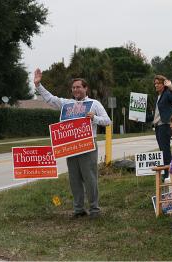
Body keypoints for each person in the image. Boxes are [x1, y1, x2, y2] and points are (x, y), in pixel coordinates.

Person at [33, 68, 111, 219]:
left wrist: (94, 118)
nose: (76, 90)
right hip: (70, 146)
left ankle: (94, 209)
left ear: (85, 88)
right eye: (74, 87)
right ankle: (79, 209)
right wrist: (38, 85)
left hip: (88, 145)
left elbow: (108, 121)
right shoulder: (67, 104)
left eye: (79, 87)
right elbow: (50, 99)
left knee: (90, 178)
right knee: (74, 179)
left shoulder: (94, 104)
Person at [151, 75, 172, 179]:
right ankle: (167, 173)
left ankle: (169, 174)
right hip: (158, 126)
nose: (156, 85)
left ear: (163, 84)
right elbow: (154, 115)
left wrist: (171, 88)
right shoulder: (158, 97)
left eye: (158, 83)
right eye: (155, 83)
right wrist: (139, 118)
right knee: (162, 150)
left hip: (165, 125)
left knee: (165, 151)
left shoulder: (167, 94)